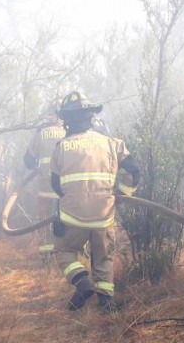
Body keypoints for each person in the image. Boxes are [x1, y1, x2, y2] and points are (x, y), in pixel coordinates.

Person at [49, 91, 141, 311]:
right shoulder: (111, 143)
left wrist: (72, 200)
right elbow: (135, 170)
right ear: (90, 117)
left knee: (64, 251)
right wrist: (122, 195)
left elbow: (55, 184)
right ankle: (106, 302)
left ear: (67, 120)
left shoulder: (62, 146)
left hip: (73, 216)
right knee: (103, 257)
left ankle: (81, 282)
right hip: (104, 215)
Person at [22, 107, 67, 259]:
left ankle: (46, 256)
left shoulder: (40, 133)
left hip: (45, 187)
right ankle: (65, 253)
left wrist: (38, 168)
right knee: (68, 219)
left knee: (44, 220)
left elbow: (28, 160)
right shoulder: (69, 131)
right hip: (65, 187)